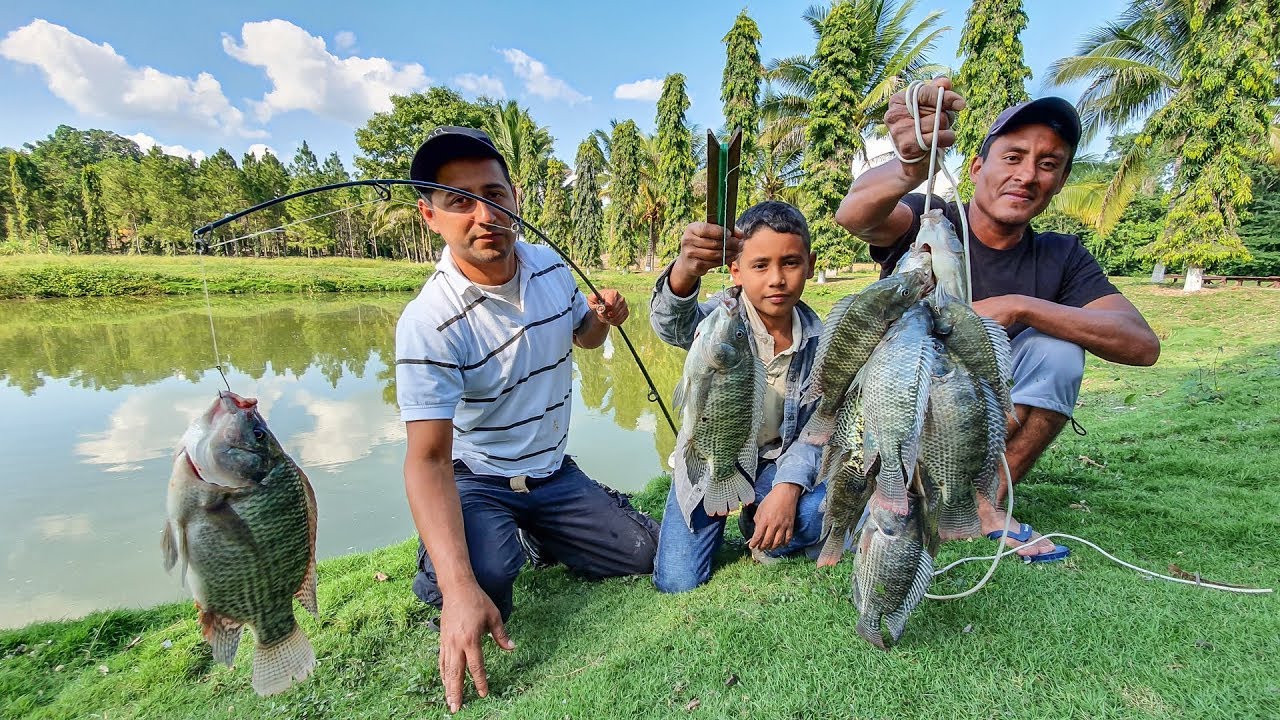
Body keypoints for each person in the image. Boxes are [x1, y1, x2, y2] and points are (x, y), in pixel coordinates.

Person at [835, 78, 1161, 562]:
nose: (1027, 175)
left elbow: (1141, 345)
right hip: (902, 405)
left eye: (1048, 164)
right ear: (977, 167)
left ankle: (983, 505)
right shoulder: (932, 219)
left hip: (981, 416)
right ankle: (897, 489)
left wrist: (1018, 306)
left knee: (1059, 353)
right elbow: (856, 216)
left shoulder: (1062, 255)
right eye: (1013, 157)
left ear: (1061, 180)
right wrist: (908, 166)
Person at [396, 126, 660, 713]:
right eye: (459, 201)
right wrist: (460, 590)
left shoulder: (550, 267)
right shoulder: (428, 322)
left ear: (515, 197)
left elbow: (584, 338)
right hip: (477, 478)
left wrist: (602, 318)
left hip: (551, 471)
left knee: (645, 554)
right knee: (485, 582)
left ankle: (544, 532)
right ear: (429, 216)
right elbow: (429, 460)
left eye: (494, 194)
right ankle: (440, 568)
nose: (484, 214)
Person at [649, 200, 827, 592]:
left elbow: (818, 428)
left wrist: (788, 489)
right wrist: (685, 271)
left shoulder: (823, 344)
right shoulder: (721, 319)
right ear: (736, 270)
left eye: (790, 263)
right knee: (678, 581)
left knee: (820, 510)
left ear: (810, 265)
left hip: (777, 463)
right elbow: (673, 324)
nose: (776, 279)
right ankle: (745, 514)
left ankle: (759, 521)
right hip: (711, 456)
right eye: (760, 265)